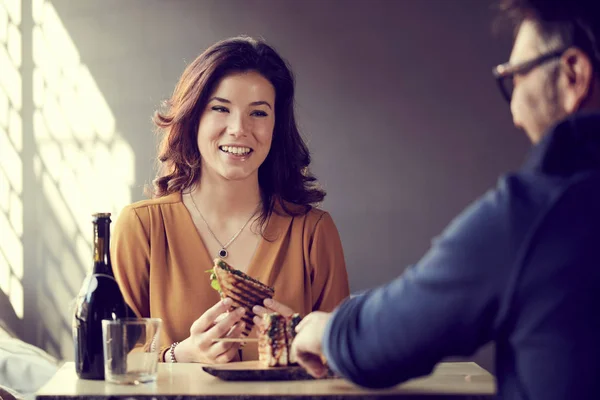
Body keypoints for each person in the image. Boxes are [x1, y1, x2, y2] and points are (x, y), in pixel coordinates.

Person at [291, 1, 600, 398]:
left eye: (515, 78)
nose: (516, 113)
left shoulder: (542, 213)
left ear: (573, 74)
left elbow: (386, 336)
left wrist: (328, 328)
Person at [111, 36, 350, 364]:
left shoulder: (314, 232)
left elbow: (346, 361)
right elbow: (111, 363)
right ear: (194, 117)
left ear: (276, 126)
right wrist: (179, 355)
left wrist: (302, 345)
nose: (239, 129)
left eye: (259, 113)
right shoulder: (141, 228)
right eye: (220, 108)